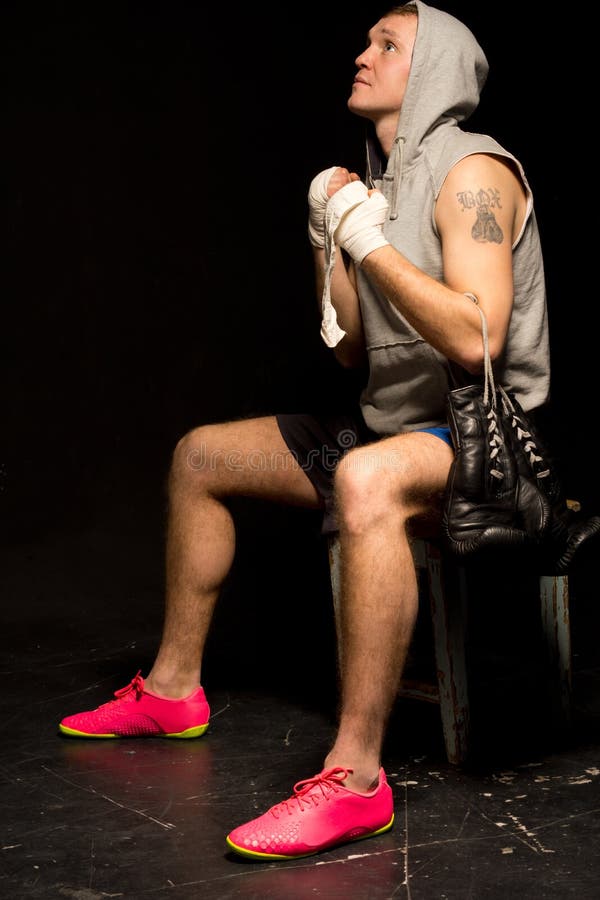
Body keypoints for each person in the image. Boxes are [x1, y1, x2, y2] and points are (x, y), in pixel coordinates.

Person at [58, 1, 552, 859]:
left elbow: (478, 342)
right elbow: (353, 354)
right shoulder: (382, 178)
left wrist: (368, 242)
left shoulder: (473, 172)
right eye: (366, 40)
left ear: (430, 69)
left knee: (366, 480)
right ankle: (173, 691)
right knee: (200, 455)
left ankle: (356, 780)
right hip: (389, 431)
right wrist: (333, 246)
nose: (361, 55)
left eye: (387, 45)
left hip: (486, 447)